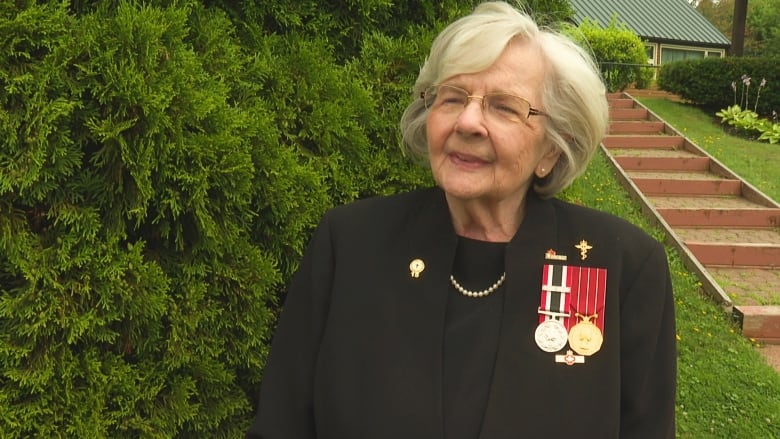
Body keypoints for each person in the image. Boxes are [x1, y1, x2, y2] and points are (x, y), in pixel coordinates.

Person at [246, 2, 676, 438]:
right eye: (452, 98)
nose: (467, 121)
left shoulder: (621, 268)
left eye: (505, 107)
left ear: (552, 148)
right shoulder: (349, 245)